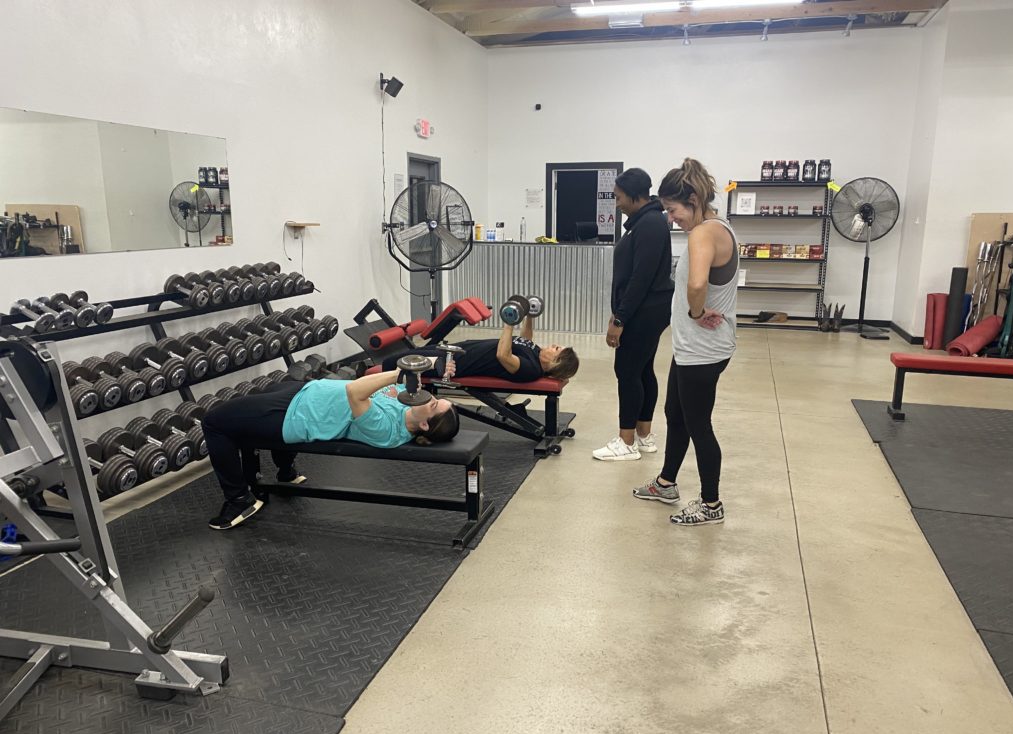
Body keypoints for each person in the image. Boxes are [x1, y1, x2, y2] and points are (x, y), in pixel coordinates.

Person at [202, 364, 460, 531]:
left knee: (214, 422)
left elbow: (355, 391)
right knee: (266, 390)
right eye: (436, 398)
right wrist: (431, 364)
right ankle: (286, 473)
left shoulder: (387, 430)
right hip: (307, 393)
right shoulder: (407, 405)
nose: (431, 398)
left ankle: (239, 500)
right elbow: (394, 369)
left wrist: (397, 375)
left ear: (425, 426)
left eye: (434, 404)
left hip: (296, 415)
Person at [632, 158, 737, 526]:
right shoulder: (717, 227)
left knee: (698, 424)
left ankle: (711, 504)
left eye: (672, 209)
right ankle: (666, 484)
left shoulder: (703, 233)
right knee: (676, 415)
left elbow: (696, 284)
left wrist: (694, 314)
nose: (671, 217)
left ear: (691, 198)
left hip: (703, 350)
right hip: (693, 348)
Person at [593, 167, 674, 462]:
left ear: (635, 196)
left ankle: (626, 441)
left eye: (619, 197)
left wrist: (620, 319)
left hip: (644, 312)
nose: (616, 202)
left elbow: (641, 279)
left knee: (627, 371)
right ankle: (643, 435)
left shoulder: (650, 224)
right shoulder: (645, 222)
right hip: (646, 310)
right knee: (641, 370)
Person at [380, 313, 579, 383]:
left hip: (453, 363)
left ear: (553, 364)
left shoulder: (531, 369)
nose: (554, 345)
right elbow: (524, 340)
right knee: (408, 354)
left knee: (392, 362)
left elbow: (503, 355)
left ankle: (368, 385)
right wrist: (530, 317)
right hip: (454, 350)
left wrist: (508, 323)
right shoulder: (534, 354)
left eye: (557, 350)